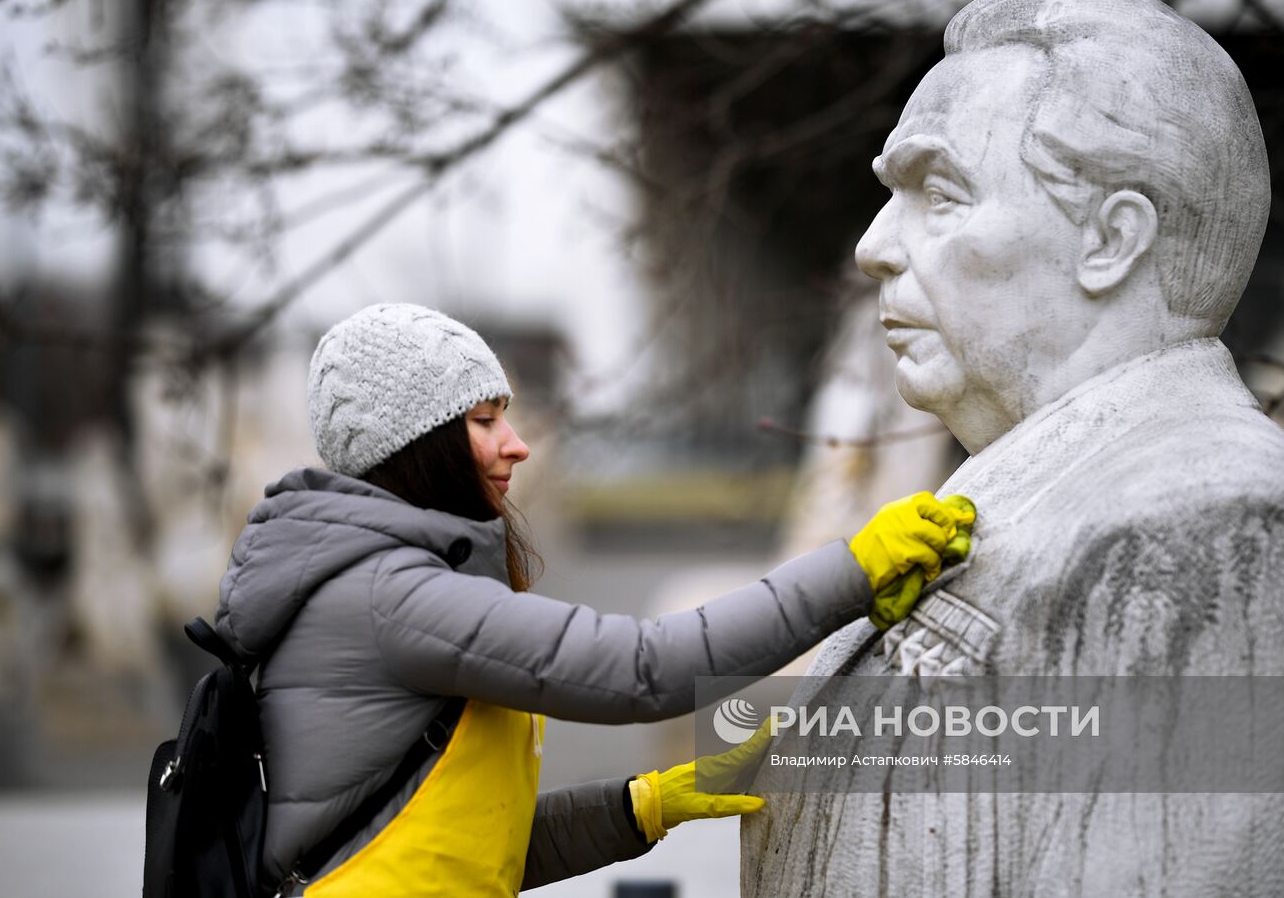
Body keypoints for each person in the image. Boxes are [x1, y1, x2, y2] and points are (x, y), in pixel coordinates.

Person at [740, 0, 1284, 897]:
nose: (874, 244)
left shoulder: (1227, 535)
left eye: (940, 194)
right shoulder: (1030, 506)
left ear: (1111, 239)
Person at [211, 302, 975, 897]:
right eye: (484, 421)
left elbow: (470, 848)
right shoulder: (392, 595)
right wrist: (850, 569)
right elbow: (642, 668)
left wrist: (636, 807)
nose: (517, 443)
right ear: (419, 447)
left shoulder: (384, 583)